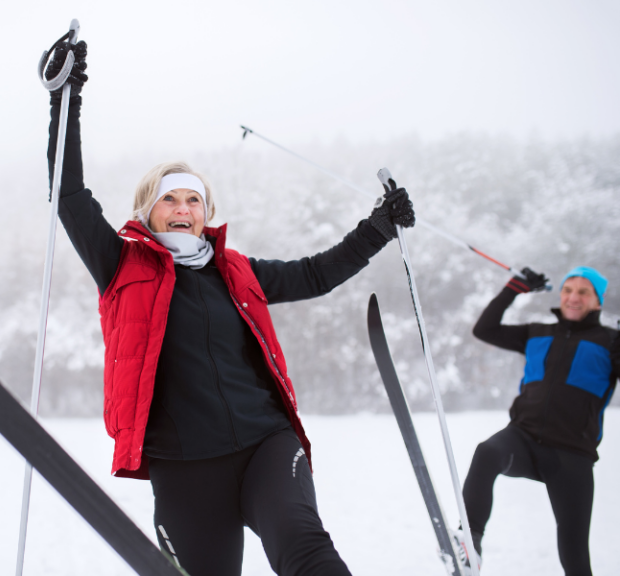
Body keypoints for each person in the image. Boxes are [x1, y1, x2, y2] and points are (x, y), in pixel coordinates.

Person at [43, 41, 415, 575]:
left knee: (306, 550)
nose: (183, 208)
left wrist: (379, 227)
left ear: (206, 213)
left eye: (194, 200)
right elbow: (70, 195)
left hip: (265, 444)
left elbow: (315, 273)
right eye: (170, 199)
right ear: (148, 212)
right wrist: (65, 99)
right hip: (183, 467)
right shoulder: (121, 266)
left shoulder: (235, 271)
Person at [457, 265, 619, 576]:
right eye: (568, 290)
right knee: (487, 451)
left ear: (598, 301)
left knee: (575, 558)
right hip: (523, 438)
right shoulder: (536, 332)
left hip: (572, 455)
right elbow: (485, 329)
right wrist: (513, 288)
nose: (573, 298)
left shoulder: (611, 341)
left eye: (584, 292)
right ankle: (469, 544)